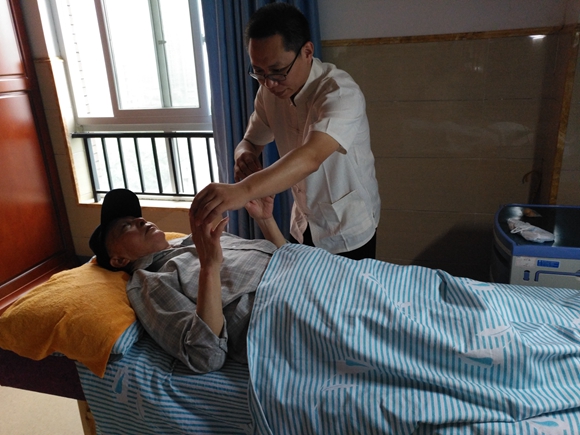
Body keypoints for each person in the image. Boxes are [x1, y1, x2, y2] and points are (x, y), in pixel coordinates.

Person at [190, 3, 380, 260]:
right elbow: (250, 141)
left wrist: (243, 190)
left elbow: (311, 157)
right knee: (298, 282)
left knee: (345, 287)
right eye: (259, 72)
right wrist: (243, 156)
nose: (269, 83)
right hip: (302, 222)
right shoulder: (268, 93)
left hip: (347, 226)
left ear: (307, 52)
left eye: (278, 71)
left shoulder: (340, 92)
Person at [89, 188, 286, 374]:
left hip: (301, 266)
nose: (140, 220)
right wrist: (210, 268)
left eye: (137, 218)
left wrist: (265, 220)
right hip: (283, 309)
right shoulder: (150, 281)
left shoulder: (194, 239)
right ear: (120, 260)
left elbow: (284, 257)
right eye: (126, 226)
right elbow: (206, 355)